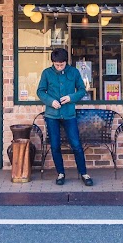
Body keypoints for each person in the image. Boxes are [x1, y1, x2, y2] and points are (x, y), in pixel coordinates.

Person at [36, 48, 92, 186]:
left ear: (66, 62)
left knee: (76, 145)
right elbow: (40, 91)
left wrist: (71, 97)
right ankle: (60, 173)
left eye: (62, 64)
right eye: (57, 64)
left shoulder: (73, 72)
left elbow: (82, 90)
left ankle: (84, 173)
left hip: (69, 114)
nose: (59, 67)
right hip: (52, 115)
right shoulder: (47, 73)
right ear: (53, 62)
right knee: (55, 146)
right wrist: (50, 101)